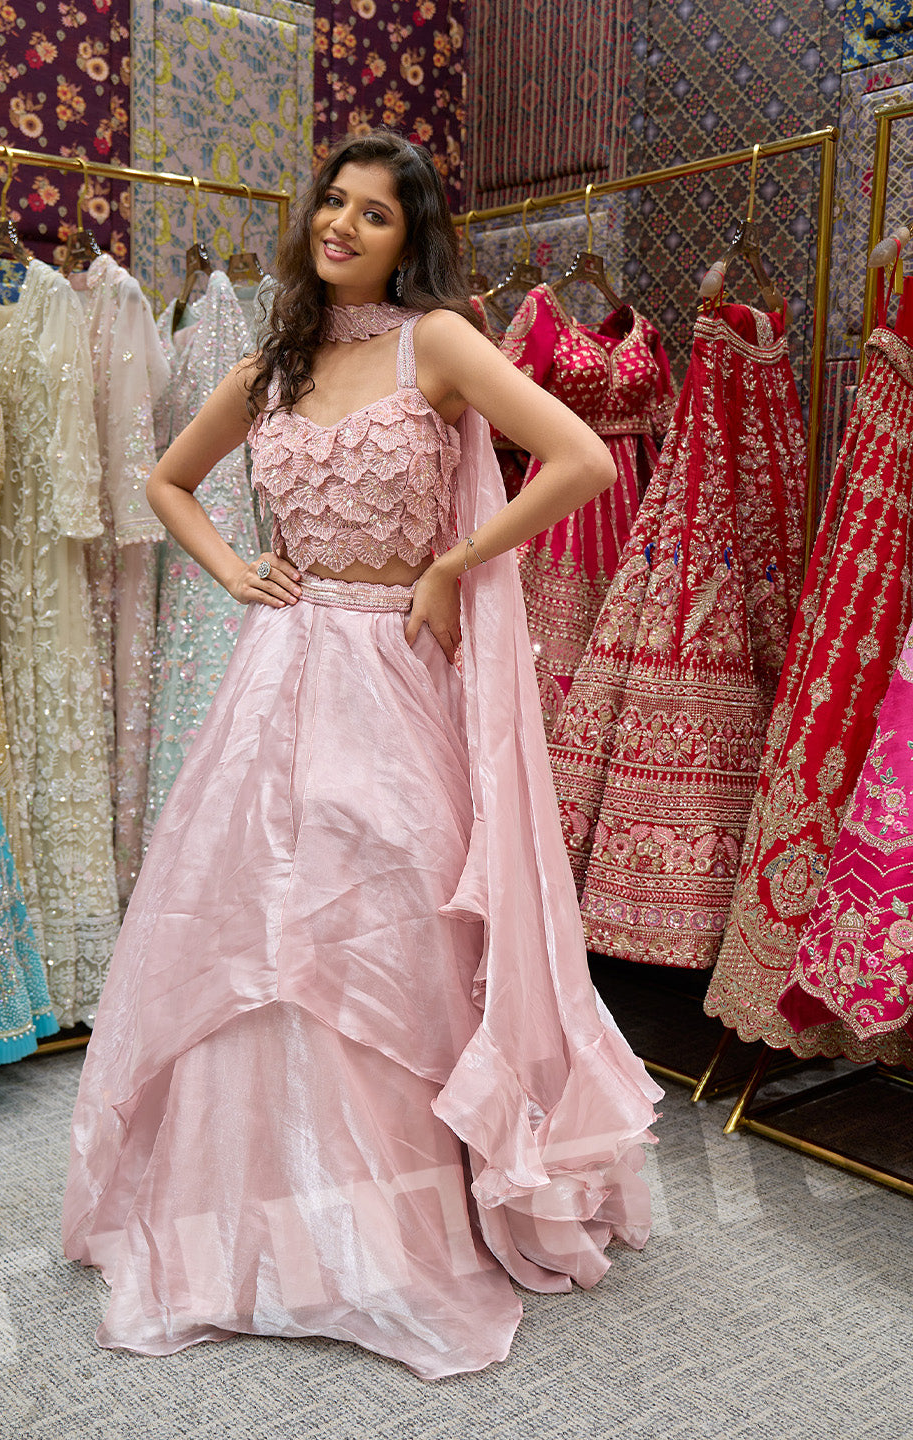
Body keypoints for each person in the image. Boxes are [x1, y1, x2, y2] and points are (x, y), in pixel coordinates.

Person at [62, 131, 662, 1381]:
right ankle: (247, 1207)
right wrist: (234, 567)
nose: (341, 224)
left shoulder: (432, 342)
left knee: (384, 925)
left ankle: (381, 1221)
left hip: (391, 673)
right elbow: (169, 480)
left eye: (373, 214)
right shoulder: (277, 356)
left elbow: (585, 457)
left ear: (411, 236)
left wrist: (453, 561)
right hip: (277, 673)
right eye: (332, 202)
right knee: (249, 927)